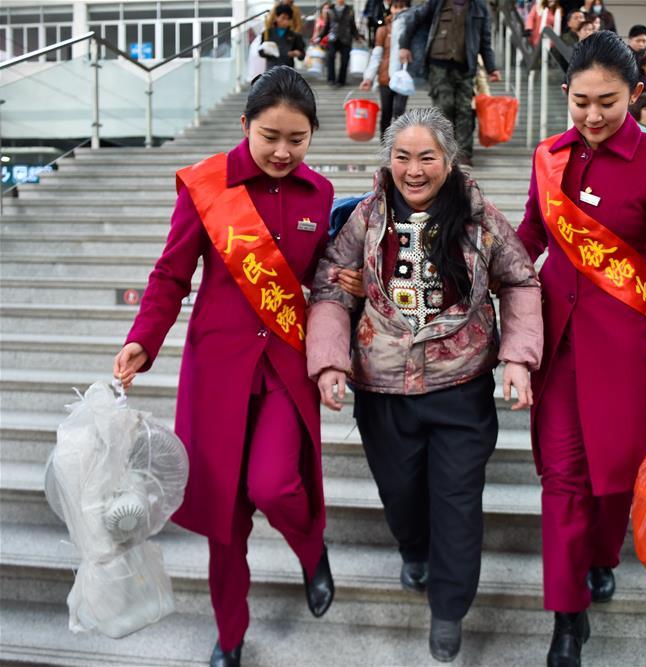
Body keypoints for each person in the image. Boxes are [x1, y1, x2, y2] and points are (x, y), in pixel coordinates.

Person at [112, 67, 336, 667]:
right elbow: (171, 274)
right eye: (270, 137)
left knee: (276, 484)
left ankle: (311, 549)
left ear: (313, 135)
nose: (283, 151)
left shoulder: (319, 194)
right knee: (225, 518)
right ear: (245, 126)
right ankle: (231, 635)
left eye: (297, 139)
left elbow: (319, 280)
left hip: (285, 366)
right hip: (217, 371)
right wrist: (143, 340)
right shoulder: (208, 185)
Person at [516, 32, 646, 666]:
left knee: (616, 479)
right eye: (580, 102)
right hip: (560, 344)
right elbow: (529, 236)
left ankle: (603, 556)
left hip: (632, 350)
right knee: (562, 479)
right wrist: (477, 278)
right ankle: (566, 618)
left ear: (634, 94)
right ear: (565, 93)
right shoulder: (549, 156)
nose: (592, 115)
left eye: (607, 102)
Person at [306, 107, 543, 663]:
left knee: (457, 503)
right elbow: (329, 288)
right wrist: (330, 361)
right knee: (401, 494)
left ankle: (449, 608)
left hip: (460, 388)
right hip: (382, 388)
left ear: (449, 160)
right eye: (402, 157)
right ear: (389, 160)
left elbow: (520, 280)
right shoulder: (367, 216)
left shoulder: (479, 216)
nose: (414, 170)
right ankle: (414, 549)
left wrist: (517, 356)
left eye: (426, 157)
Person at [398, 0, 501, 167]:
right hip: (438, 65)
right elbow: (414, 19)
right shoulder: (437, 2)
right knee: (444, 107)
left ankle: (464, 154)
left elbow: (485, 41)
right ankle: (444, 152)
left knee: (465, 110)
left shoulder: (480, 8)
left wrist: (491, 68)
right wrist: (404, 46)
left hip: (465, 67)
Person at [360, 0, 411, 139]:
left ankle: (399, 141)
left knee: (399, 111)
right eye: (396, 7)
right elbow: (376, 55)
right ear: (391, 9)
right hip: (385, 77)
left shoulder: (411, 28)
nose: (399, 10)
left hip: (404, 77)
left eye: (402, 7)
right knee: (386, 112)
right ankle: (385, 142)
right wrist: (368, 77)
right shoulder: (383, 29)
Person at [322, 0, 361, 87]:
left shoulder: (350, 10)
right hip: (333, 38)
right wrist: (319, 37)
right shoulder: (330, 9)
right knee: (330, 57)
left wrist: (357, 37)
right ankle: (331, 79)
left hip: (346, 38)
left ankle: (341, 80)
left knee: (345, 60)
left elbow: (353, 25)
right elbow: (327, 26)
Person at [259, 4, 306, 70]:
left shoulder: (294, 36)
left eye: (288, 19)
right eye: (283, 18)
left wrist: (297, 53)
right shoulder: (267, 33)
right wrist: (267, 50)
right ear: (276, 17)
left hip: (287, 70)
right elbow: (261, 52)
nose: (285, 21)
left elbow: (302, 55)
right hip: (271, 70)